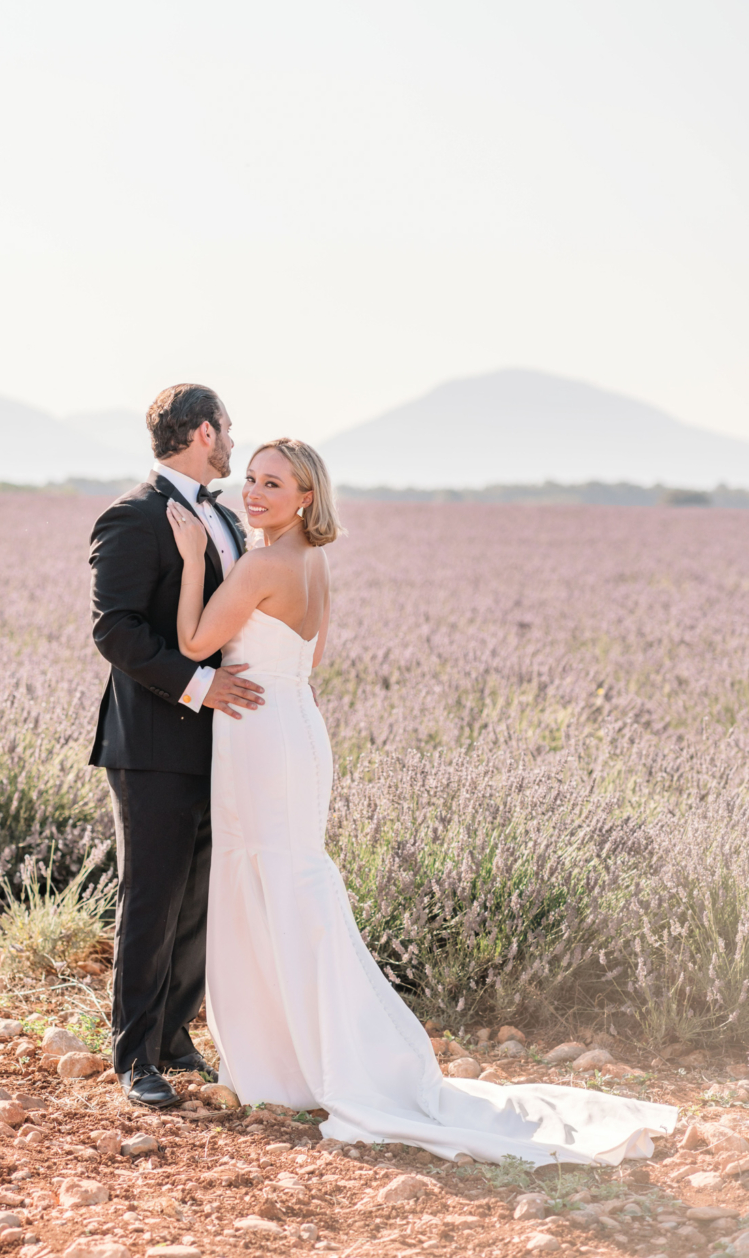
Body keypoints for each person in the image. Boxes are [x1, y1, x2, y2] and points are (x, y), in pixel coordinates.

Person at [164, 437, 677, 1165]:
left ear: (306, 495)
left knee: (270, 881)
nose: (254, 491)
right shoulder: (311, 560)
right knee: (292, 879)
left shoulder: (262, 563)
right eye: (250, 478)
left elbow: (190, 643)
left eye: (272, 483)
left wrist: (191, 562)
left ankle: (294, 1064)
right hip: (295, 724)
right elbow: (312, 659)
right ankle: (315, 1057)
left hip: (255, 733)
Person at [88, 383, 264, 1109]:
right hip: (153, 743)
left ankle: (174, 1038)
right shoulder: (130, 517)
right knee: (152, 899)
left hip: (223, 746)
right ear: (201, 432)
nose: (233, 441)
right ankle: (134, 1057)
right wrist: (199, 686)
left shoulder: (223, 518)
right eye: (226, 428)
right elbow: (116, 630)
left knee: (200, 898)